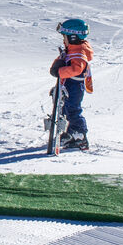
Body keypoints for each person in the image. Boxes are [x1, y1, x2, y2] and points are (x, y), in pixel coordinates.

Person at [51, 18, 93, 150]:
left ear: (73, 37)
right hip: (69, 85)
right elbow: (64, 60)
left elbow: (76, 69)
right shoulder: (72, 50)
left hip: (75, 87)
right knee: (65, 109)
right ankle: (71, 134)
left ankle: (79, 133)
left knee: (72, 110)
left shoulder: (78, 53)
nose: (64, 40)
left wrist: (60, 71)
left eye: (65, 37)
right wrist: (57, 66)